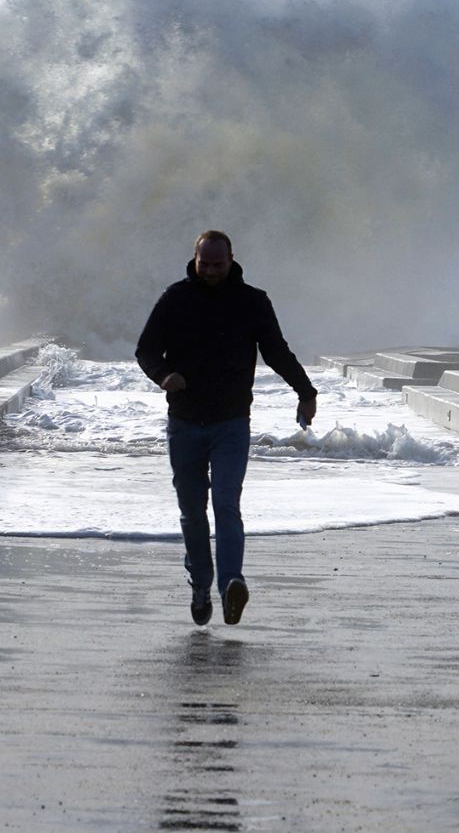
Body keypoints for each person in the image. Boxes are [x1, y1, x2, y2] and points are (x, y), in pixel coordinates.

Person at [136, 230, 317, 626]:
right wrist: (163, 374)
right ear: (195, 259)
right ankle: (201, 583)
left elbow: (276, 351)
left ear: (232, 259)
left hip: (232, 423)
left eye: (219, 264)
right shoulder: (175, 298)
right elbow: (146, 348)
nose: (212, 271)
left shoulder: (252, 301)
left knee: (226, 505)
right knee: (191, 511)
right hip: (184, 423)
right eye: (205, 264)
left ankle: (231, 583)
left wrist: (306, 391)